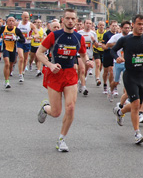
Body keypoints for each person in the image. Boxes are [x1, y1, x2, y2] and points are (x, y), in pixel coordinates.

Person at [36, 9, 93, 152]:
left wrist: (87, 62)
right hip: (55, 74)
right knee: (56, 112)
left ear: (76, 21)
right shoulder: (54, 36)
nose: (70, 21)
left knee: (71, 107)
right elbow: (39, 53)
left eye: (73, 18)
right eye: (67, 18)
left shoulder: (78, 38)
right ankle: (45, 108)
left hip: (70, 75)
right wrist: (50, 64)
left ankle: (61, 139)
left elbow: (83, 54)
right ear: (63, 20)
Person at [110, 15, 143, 144]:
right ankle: (137, 133)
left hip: (142, 76)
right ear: (133, 25)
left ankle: (120, 111)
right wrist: (117, 58)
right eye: (139, 24)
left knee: (134, 105)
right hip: (130, 75)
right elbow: (113, 50)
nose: (141, 27)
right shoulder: (126, 40)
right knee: (136, 104)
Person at [0, 16, 26, 89]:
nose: (11, 22)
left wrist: (16, 38)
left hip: (13, 49)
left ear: (15, 22)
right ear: (7, 22)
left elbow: (23, 39)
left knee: (11, 65)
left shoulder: (17, 30)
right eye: (9, 20)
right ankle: (6, 81)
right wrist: (0, 38)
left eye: (13, 21)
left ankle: (8, 75)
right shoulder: (4, 28)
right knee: (6, 63)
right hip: (5, 48)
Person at [107, 21, 131, 102]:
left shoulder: (131, 37)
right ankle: (111, 90)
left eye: (128, 28)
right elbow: (108, 45)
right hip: (118, 62)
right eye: (125, 28)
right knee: (116, 82)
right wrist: (118, 44)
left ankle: (125, 99)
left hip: (127, 63)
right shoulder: (117, 36)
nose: (127, 29)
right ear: (121, 28)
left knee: (127, 82)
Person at [77, 19, 98, 96]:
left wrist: (94, 41)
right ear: (84, 24)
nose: (88, 25)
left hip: (88, 55)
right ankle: (84, 87)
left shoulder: (93, 33)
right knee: (82, 70)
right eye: (87, 23)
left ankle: (81, 82)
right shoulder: (79, 33)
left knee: (85, 71)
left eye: (90, 23)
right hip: (80, 54)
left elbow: (96, 45)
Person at [16, 12, 36, 82]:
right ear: (22, 17)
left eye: (27, 17)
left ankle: (23, 70)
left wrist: (32, 37)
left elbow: (37, 34)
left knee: (25, 59)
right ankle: (20, 74)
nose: (26, 19)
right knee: (21, 57)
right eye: (25, 17)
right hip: (20, 42)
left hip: (27, 43)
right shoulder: (18, 24)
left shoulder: (30, 25)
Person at [100, 21, 118, 95]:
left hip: (115, 55)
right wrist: (111, 45)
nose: (114, 27)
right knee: (106, 71)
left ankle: (113, 87)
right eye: (113, 25)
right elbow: (104, 46)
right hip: (107, 54)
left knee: (112, 71)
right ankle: (105, 85)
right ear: (110, 26)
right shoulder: (106, 34)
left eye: (115, 26)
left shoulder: (118, 35)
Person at [93, 20, 106, 86]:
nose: (101, 26)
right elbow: (93, 41)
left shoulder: (106, 33)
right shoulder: (95, 33)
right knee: (98, 64)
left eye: (103, 25)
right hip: (96, 50)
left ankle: (97, 74)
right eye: (100, 25)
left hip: (103, 51)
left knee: (101, 66)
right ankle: (98, 78)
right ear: (98, 26)